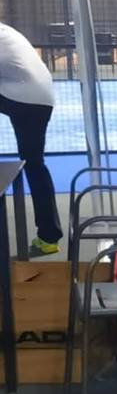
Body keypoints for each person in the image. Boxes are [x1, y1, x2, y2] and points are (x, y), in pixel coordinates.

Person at [0, 22, 63, 256]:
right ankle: (49, 237)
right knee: (35, 164)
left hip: (23, 96)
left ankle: (49, 235)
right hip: (40, 98)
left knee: (34, 164)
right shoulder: (6, 31)